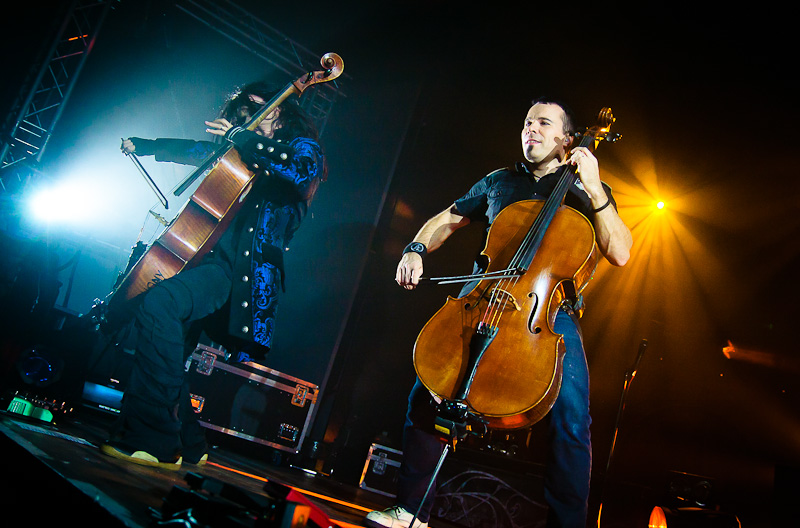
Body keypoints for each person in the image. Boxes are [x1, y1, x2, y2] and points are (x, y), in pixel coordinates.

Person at [366, 98, 632, 528]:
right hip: (484, 298)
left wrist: (597, 187)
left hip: (546, 312)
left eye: (544, 124)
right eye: (527, 122)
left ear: (568, 140)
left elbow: (619, 252)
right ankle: (411, 512)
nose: (531, 129)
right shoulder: (499, 181)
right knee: (426, 390)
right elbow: (447, 218)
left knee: (571, 416)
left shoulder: (589, 191)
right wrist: (415, 248)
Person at [99, 82, 327, 469]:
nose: (263, 110)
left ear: (285, 110)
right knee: (170, 351)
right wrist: (147, 144)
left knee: (159, 304)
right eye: (251, 106)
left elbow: (300, 173)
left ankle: (153, 441)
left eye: (269, 104)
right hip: (205, 261)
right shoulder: (240, 144)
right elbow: (200, 152)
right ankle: (190, 443)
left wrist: (242, 137)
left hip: (241, 273)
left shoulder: (304, 149)